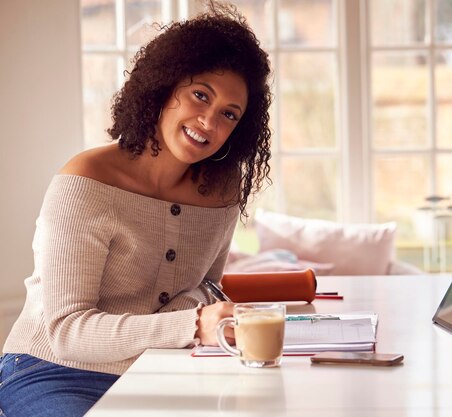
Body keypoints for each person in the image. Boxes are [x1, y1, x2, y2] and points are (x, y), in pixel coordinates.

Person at [0, 1, 272, 416]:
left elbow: (207, 286)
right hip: (53, 371)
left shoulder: (222, 191)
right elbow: (66, 332)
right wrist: (193, 323)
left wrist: (196, 311)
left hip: (161, 369)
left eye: (229, 114)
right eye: (200, 95)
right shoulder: (87, 181)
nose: (208, 122)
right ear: (163, 86)